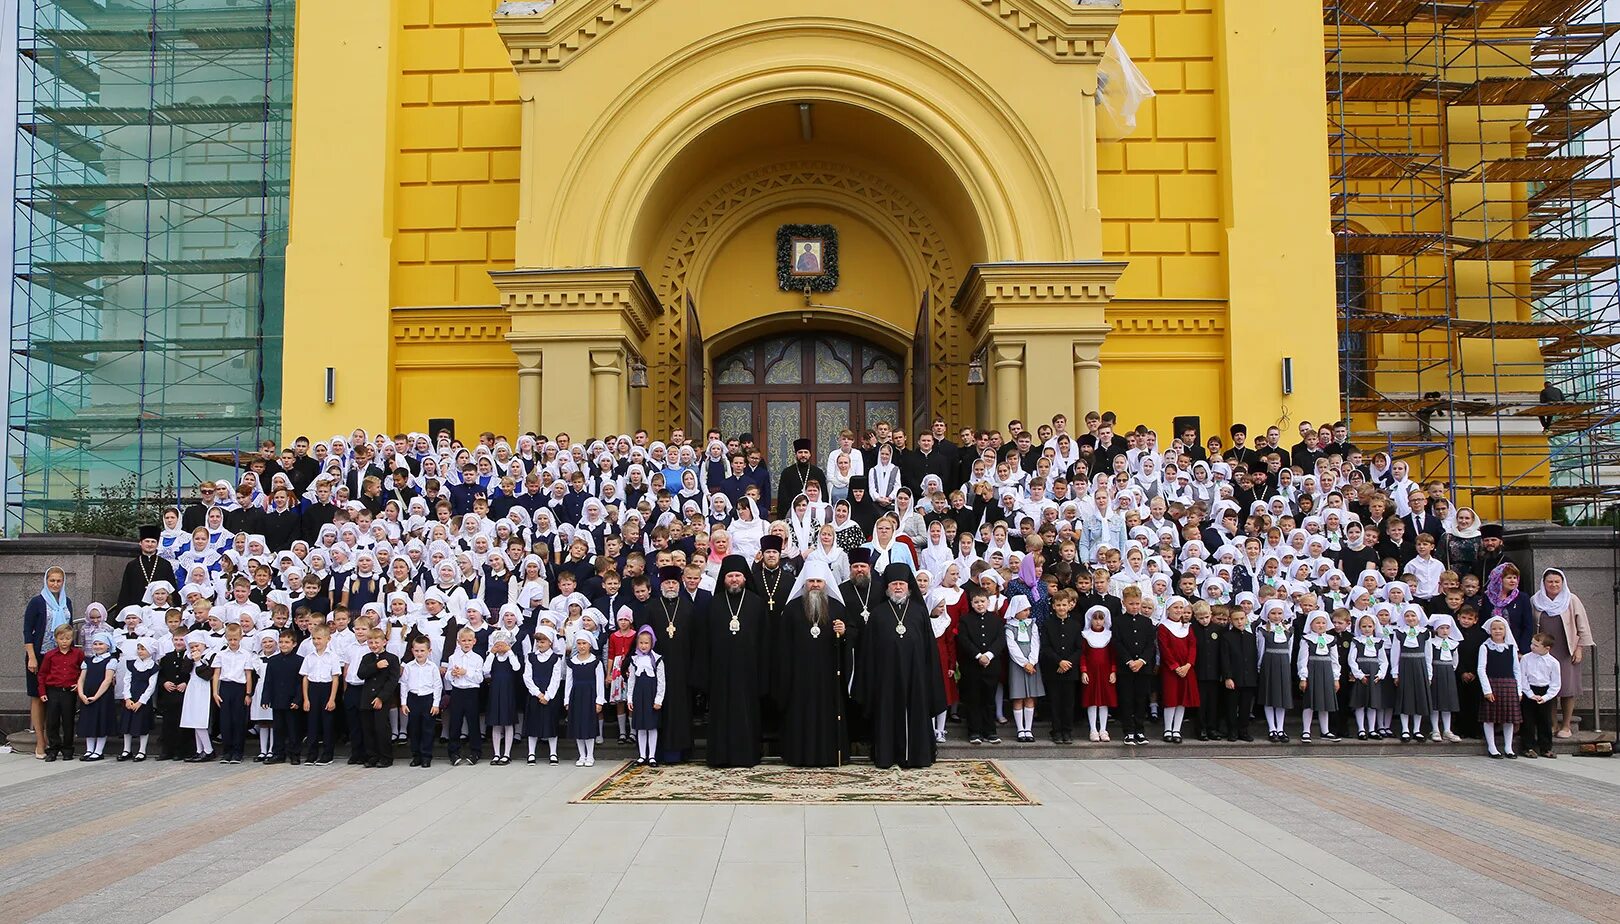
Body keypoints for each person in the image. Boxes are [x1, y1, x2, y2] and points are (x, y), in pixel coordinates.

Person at [852, 563, 945, 769]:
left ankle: (917, 756)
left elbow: (929, 649)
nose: (898, 588)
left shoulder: (920, 613)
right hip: (886, 678)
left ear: (908, 587)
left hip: (916, 676)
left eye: (902, 584)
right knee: (887, 714)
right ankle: (887, 755)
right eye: (894, 584)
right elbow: (868, 652)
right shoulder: (877, 614)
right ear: (887, 587)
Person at [775, 560, 851, 767]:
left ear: (825, 583)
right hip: (800, 675)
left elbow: (849, 640)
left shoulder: (837, 608)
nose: (815, 585)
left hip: (827, 675)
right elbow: (782, 645)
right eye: (811, 581)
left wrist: (844, 633)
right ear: (804, 583)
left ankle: (828, 755)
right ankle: (798, 755)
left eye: (818, 581)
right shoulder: (792, 609)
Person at [698, 555, 767, 768]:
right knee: (721, 713)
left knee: (746, 714)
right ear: (723, 578)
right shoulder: (713, 604)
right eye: (730, 576)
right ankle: (720, 756)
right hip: (720, 672)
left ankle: (747, 756)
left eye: (738, 575)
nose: (734, 580)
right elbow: (704, 642)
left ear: (745, 578)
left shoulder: (756, 604)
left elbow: (765, 641)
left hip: (749, 672)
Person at [1530, 568, 1593, 740]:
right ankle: (1552, 724)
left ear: (1562, 583)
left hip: (1567, 650)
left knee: (1567, 688)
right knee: (1548, 687)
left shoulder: (1571, 600)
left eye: (1557, 581)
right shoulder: (1535, 601)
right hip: (1544, 652)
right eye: (1550, 581)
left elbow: (1583, 626)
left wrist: (1579, 648)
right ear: (1544, 583)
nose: (1554, 584)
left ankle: (1566, 725)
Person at [23, 566, 73, 759]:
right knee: (37, 696)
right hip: (40, 654)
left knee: (54, 699)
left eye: (58, 581)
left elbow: (68, 629)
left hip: (60, 656)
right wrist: (32, 656)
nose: (55, 584)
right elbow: (28, 630)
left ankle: (56, 741)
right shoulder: (37, 602)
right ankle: (40, 741)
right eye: (52, 580)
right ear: (46, 581)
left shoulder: (66, 601)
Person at [956, 583, 1004, 746]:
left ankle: (990, 731)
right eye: (976, 602)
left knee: (989, 700)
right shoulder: (965, 620)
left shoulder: (996, 621)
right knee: (973, 699)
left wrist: (989, 655)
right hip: (972, 666)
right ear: (971, 603)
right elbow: (963, 640)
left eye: (982, 601)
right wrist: (978, 656)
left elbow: (1000, 640)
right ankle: (974, 731)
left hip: (991, 665)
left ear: (988, 602)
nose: (979, 604)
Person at [1113, 586, 1157, 746]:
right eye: (1131, 603)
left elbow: (1150, 645)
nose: (1135, 607)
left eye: (1137, 603)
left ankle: (1140, 730)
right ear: (1124, 603)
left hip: (1143, 668)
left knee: (1141, 699)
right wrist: (1129, 661)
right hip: (1126, 667)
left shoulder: (1147, 622)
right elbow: (1117, 643)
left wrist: (1142, 661)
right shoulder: (1118, 621)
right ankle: (1128, 731)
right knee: (1127, 699)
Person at [1477, 614, 1523, 758]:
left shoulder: (1511, 648)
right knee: (1490, 718)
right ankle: (1492, 747)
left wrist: (1519, 690)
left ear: (1505, 630)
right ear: (1490, 630)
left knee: (1508, 718)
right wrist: (1487, 690)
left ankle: (1508, 747)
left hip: (1509, 684)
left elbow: (1517, 669)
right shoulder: (1485, 647)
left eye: (1500, 628)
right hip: (1492, 684)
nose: (1497, 631)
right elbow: (1481, 669)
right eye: (1494, 629)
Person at [36, 625, 83, 761]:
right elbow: (42, 674)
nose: (64, 642)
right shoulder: (50, 655)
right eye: (61, 638)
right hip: (53, 691)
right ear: (56, 639)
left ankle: (68, 749)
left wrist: (79, 684)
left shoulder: (78, 654)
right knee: (52, 721)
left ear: (72, 639)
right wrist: (42, 692)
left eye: (67, 638)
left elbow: (83, 670)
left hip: (69, 691)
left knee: (68, 720)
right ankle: (53, 749)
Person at [357, 627, 401, 767]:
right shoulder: (367, 658)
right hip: (366, 698)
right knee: (368, 728)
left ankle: (386, 757)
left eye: (377, 642)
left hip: (382, 698)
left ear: (384, 642)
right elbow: (361, 673)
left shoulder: (392, 659)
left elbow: (392, 680)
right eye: (371, 643)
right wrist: (376, 666)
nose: (374, 645)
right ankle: (372, 756)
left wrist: (381, 698)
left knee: (381, 728)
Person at [260, 629, 304, 765]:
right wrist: (265, 698)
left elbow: (301, 683)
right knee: (278, 728)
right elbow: (268, 681)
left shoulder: (299, 661)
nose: (283, 645)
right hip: (277, 699)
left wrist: (298, 700)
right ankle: (278, 753)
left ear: (294, 644)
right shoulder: (273, 661)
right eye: (281, 642)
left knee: (293, 729)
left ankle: (294, 754)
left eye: (287, 642)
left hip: (292, 701)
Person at [522, 626, 565, 765]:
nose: (540, 644)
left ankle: (553, 753)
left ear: (550, 642)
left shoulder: (555, 659)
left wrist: (547, 695)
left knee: (551, 723)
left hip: (549, 696)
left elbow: (555, 679)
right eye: (538, 642)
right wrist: (537, 693)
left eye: (543, 642)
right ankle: (531, 753)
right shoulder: (531, 657)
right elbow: (527, 677)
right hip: (535, 695)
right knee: (533, 724)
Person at [1004, 595, 1044, 743]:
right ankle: (1020, 728)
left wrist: (1032, 661)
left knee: (1030, 697)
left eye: (1028, 610)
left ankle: (1029, 728)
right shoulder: (1009, 626)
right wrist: (1023, 663)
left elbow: (1035, 642)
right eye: (1024, 610)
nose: (1027, 613)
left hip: (1032, 663)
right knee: (1018, 696)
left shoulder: (1032, 624)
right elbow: (1012, 646)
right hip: (1018, 664)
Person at [625, 625, 666, 766]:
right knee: (641, 727)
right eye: (641, 643)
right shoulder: (634, 660)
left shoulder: (657, 659)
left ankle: (652, 755)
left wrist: (658, 699)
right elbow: (631, 680)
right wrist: (629, 698)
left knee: (652, 726)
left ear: (652, 643)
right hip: (638, 696)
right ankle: (642, 755)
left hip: (651, 696)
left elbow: (661, 681)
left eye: (646, 643)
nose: (643, 646)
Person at [564, 630, 605, 767]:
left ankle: (590, 755)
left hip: (589, 695)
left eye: (584, 643)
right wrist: (567, 700)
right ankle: (581, 754)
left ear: (589, 645)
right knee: (578, 726)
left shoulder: (596, 662)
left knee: (588, 726)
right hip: (576, 695)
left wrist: (599, 700)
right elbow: (569, 682)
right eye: (579, 643)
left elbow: (599, 682)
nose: (581, 646)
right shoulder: (572, 662)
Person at [75, 632, 118, 761]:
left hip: (102, 696)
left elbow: (107, 680)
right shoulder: (88, 660)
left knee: (101, 721)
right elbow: (81, 679)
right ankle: (89, 749)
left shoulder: (111, 660)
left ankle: (99, 750)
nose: (98, 646)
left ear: (108, 646)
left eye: (101, 644)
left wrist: (96, 696)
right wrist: (81, 693)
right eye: (95, 643)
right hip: (87, 695)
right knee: (89, 721)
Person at [400, 637, 442, 768]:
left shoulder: (433, 667)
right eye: (417, 650)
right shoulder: (408, 666)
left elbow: (437, 686)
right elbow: (404, 684)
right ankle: (416, 755)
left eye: (422, 650)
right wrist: (403, 702)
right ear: (412, 651)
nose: (419, 653)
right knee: (414, 729)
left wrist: (436, 704)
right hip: (413, 699)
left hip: (427, 699)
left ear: (429, 651)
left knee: (427, 729)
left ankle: (426, 756)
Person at [1519, 632, 1561, 759]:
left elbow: (1555, 683)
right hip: (1529, 690)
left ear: (1547, 648)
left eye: (1536, 645)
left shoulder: (1554, 662)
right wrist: (1530, 694)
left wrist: (1546, 697)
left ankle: (1546, 747)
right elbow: (1522, 677)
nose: (1532, 647)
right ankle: (1528, 747)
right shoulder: (1526, 658)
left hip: (1545, 692)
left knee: (1545, 721)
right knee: (1528, 721)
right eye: (1532, 643)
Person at [116, 525, 177, 610]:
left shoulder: (165, 564)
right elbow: (126, 591)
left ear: (157, 544)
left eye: (153, 542)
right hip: (137, 609)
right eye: (147, 541)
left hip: (160, 609)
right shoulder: (132, 565)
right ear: (140, 543)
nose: (150, 544)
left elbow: (172, 589)